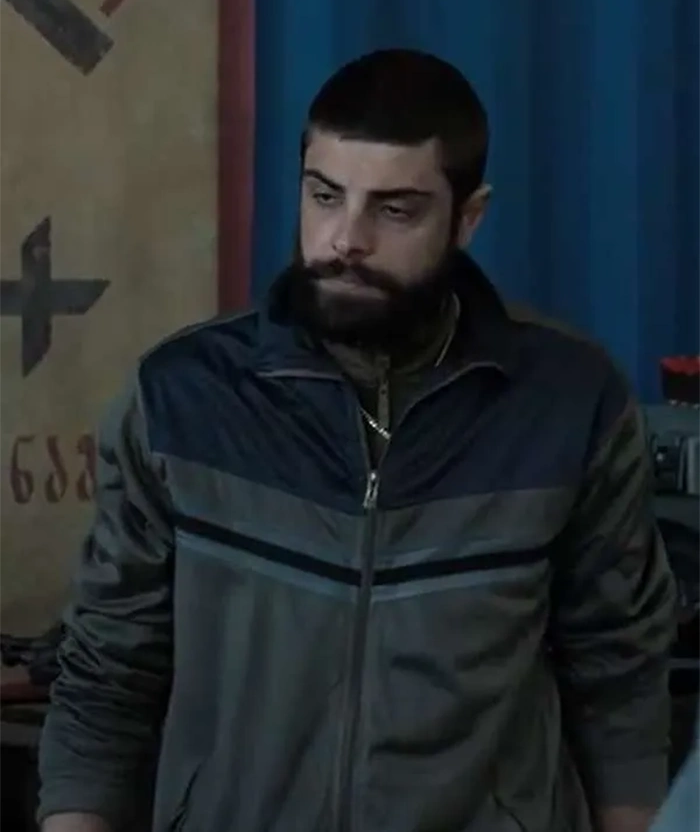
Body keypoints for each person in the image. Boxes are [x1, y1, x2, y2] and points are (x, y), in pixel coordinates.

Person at [38, 49, 677, 832]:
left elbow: (620, 677)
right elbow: (107, 672)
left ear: (468, 217)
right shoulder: (181, 399)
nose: (346, 239)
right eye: (324, 195)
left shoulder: (570, 402)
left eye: (395, 210)